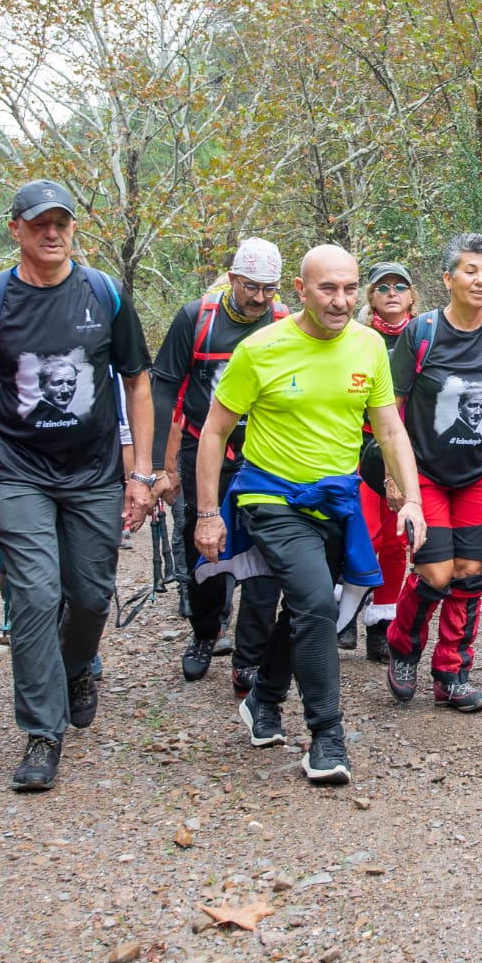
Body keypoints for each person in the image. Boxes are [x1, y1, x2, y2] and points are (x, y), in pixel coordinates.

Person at [0, 180, 156, 793]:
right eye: (39, 223)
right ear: (16, 229)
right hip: (19, 472)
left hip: (93, 473)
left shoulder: (104, 294)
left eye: (61, 222)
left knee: (90, 596)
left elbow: (137, 381)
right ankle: (42, 730)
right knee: (35, 598)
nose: (52, 233)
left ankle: (77, 665)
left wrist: (141, 473)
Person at [193, 245, 423, 785]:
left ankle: (265, 696)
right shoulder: (261, 349)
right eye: (327, 289)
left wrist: (411, 498)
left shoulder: (368, 346)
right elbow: (214, 431)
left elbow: (390, 429)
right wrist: (207, 513)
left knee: (309, 604)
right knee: (318, 601)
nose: (340, 300)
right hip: (270, 497)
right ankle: (327, 737)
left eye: (349, 288)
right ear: (301, 290)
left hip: (336, 500)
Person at [381, 234, 482, 711]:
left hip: (480, 472)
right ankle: (403, 645)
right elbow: (392, 407)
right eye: (471, 271)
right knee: (434, 572)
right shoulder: (421, 333)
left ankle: (452, 671)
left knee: (469, 574)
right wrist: (394, 475)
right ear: (448, 279)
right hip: (424, 472)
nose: (481, 281)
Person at [149, 239, 288, 689]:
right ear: (232, 279)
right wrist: (158, 464)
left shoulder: (285, 322)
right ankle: (206, 631)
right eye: (251, 287)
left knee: (266, 547)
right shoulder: (197, 319)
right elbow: (164, 386)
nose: (260, 298)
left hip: (266, 452)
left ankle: (250, 654)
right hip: (202, 446)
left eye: (269, 288)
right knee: (204, 542)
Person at [352, 261, 417, 659]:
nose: (392, 293)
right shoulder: (354, 337)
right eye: (383, 287)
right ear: (371, 297)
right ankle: (345, 606)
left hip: (407, 447)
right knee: (363, 533)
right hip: (358, 446)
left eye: (400, 286)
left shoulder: (426, 335)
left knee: (395, 540)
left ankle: (381, 625)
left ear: (411, 296)